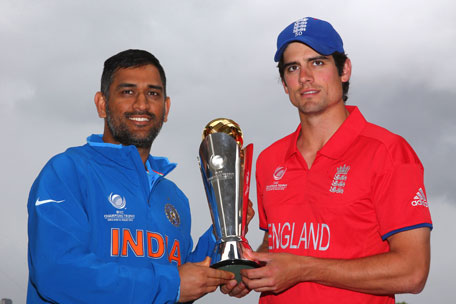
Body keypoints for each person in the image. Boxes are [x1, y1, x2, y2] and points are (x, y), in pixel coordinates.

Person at [225, 17, 433, 303]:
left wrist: (303, 269)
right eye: (293, 67)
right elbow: (278, 240)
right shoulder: (269, 159)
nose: (305, 76)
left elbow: (413, 272)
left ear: (344, 70)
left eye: (318, 62)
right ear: (285, 83)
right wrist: (252, 269)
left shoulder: (388, 151)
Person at [27, 49, 237, 303]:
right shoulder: (66, 172)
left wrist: (221, 233)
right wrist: (171, 284)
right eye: (127, 92)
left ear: (166, 107)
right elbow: (57, 273)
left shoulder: (172, 196)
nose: (141, 104)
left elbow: (181, 281)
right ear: (102, 104)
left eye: (153, 93)